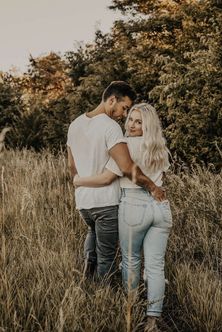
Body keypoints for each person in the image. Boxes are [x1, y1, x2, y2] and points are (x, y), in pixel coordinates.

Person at [74, 103, 172, 331]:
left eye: (139, 122)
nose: (133, 125)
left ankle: (131, 310)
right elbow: (161, 179)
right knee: (156, 266)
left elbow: (107, 178)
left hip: (133, 205)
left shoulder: (125, 145)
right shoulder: (160, 147)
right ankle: (153, 321)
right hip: (161, 208)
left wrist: (78, 180)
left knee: (131, 261)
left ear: (147, 125)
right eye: (131, 120)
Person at [67, 82, 166, 282]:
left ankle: (87, 281)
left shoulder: (75, 124)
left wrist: (79, 181)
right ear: (112, 100)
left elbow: (72, 167)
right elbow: (127, 167)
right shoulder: (110, 127)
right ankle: (104, 295)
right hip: (106, 203)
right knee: (107, 256)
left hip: (84, 202)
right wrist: (153, 187)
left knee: (92, 235)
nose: (124, 114)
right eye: (124, 108)